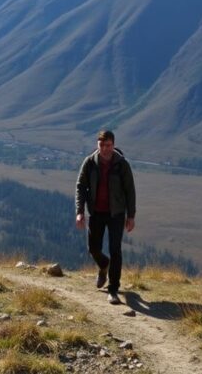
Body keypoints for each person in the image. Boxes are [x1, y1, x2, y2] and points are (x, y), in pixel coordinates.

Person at [74, 129, 136, 304]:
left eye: (108, 145)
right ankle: (103, 265)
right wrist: (80, 212)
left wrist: (131, 216)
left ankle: (113, 289)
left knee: (115, 250)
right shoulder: (90, 162)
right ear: (97, 144)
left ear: (113, 145)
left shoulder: (122, 164)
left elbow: (130, 190)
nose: (105, 148)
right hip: (96, 212)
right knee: (93, 248)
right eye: (102, 145)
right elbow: (80, 186)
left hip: (116, 213)